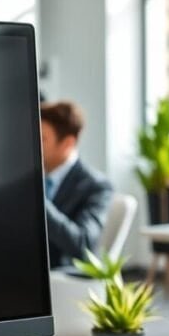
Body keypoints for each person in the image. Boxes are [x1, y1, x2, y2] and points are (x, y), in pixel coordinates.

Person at [40, 101, 113, 269]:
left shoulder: (97, 186)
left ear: (67, 143)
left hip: (61, 277)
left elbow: (83, 244)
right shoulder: (31, 177)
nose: (35, 146)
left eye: (42, 139)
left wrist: (38, 201)